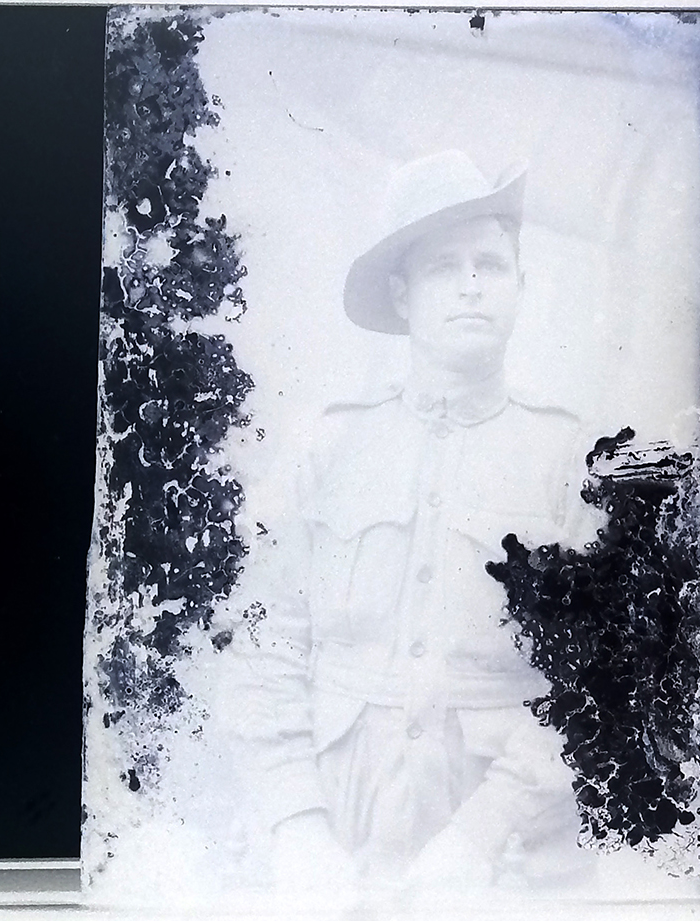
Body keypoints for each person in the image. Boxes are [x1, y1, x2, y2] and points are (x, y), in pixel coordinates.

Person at [224, 150, 598, 893]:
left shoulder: (574, 457)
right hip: (334, 834)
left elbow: (599, 678)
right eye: (441, 268)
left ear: (521, 287)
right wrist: (296, 826)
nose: (469, 286)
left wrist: (481, 835)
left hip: (509, 854)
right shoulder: (329, 443)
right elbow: (263, 643)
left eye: (489, 265)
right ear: (401, 296)